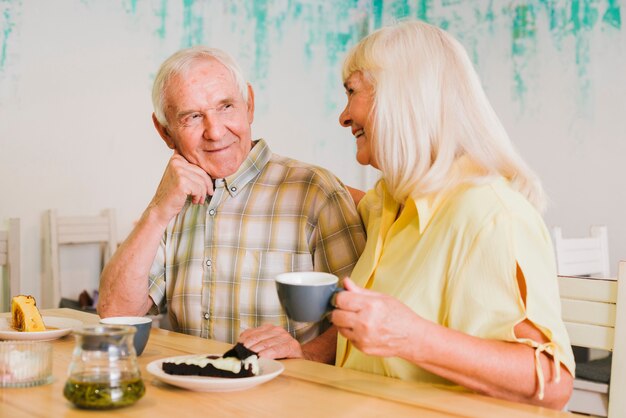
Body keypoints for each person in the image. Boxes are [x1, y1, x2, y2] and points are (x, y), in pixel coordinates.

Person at [330, 20, 574, 409]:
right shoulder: (392, 203)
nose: (343, 116)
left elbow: (552, 382)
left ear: (401, 96)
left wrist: (410, 336)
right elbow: (338, 195)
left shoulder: (493, 217)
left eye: (352, 92)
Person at [98, 46, 365, 362]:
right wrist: (158, 211)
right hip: (190, 396)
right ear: (165, 132)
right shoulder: (170, 202)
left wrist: (303, 355)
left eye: (225, 107)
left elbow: (361, 313)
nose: (214, 131)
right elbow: (116, 315)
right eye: (193, 116)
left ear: (249, 105)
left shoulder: (315, 191)